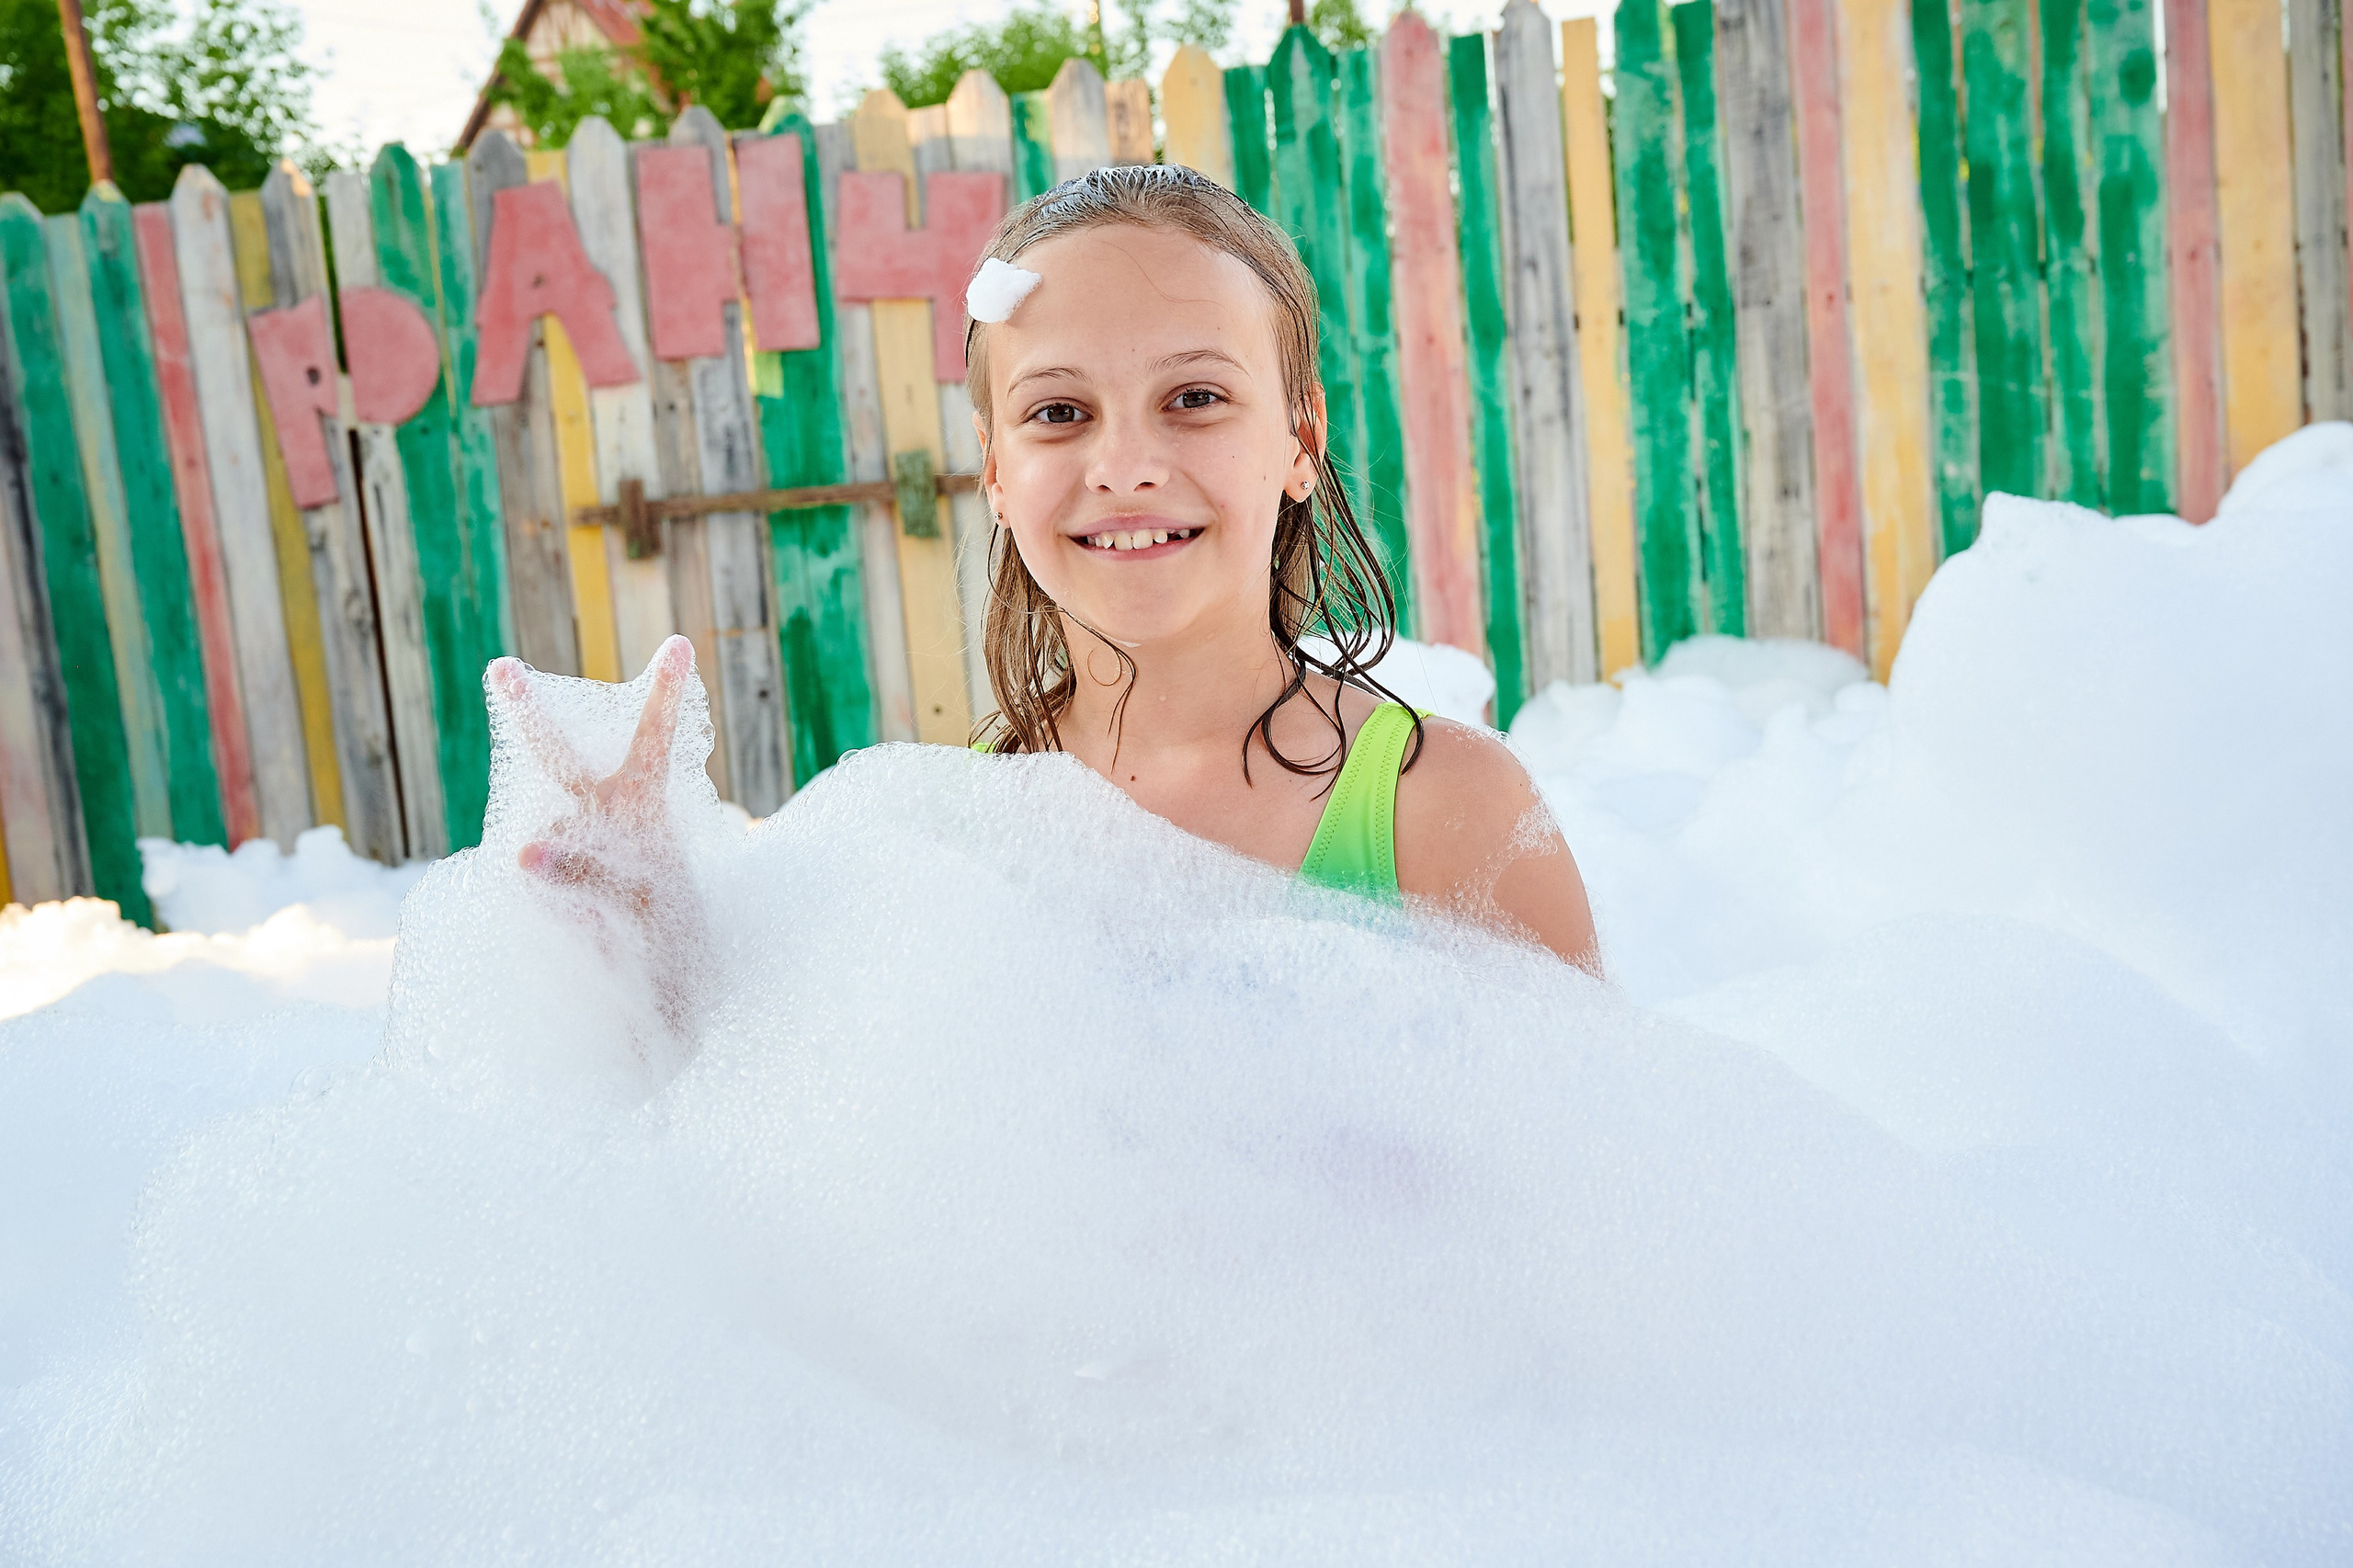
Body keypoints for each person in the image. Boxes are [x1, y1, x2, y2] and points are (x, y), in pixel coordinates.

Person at [498, 165, 1599, 999]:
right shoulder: (948, 834)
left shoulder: (1445, 812)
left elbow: (1587, 1228)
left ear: (1300, 440)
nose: (1123, 466)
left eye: (1195, 397)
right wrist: (662, 957)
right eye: (1058, 412)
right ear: (994, 470)